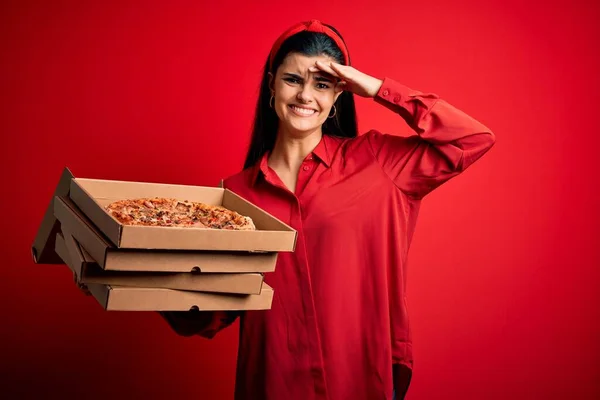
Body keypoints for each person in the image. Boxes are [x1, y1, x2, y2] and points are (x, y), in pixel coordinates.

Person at [160, 19, 496, 400]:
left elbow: (472, 140)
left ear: (339, 94)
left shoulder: (378, 163)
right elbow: (204, 318)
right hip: (272, 386)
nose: (306, 95)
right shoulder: (235, 196)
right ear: (271, 84)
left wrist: (377, 89)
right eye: (293, 80)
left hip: (359, 381)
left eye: (322, 84)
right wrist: (127, 274)